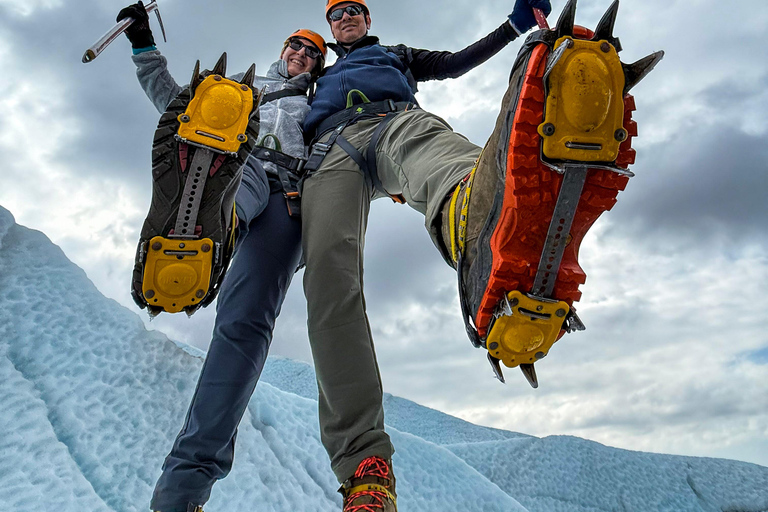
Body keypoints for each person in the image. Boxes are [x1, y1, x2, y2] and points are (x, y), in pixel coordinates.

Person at [299, 0, 553, 510]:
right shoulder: (315, 76)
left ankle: (480, 226)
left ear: (367, 20)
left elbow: (456, 62)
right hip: (330, 151)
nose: (345, 16)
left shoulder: (396, 55)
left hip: (395, 124)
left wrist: (515, 25)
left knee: (441, 157)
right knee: (327, 273)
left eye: (354, 9)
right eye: (336, 12)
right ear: (330, 27)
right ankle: (363, 465)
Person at [115, 3, 327, 511]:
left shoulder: (324, 104)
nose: (300, 52)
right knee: (217, 135)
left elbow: (355, 154)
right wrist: (143, 45)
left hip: (291, 201)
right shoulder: (237, 92)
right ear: (282, 51)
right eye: (294, 44)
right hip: (239, 168)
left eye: (312, 51)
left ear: (319, 65)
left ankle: (181, 495)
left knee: (244, 325)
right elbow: (177, 108)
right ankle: (207, 229)